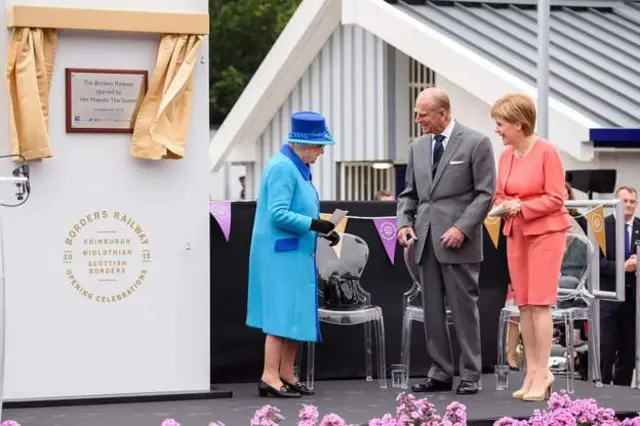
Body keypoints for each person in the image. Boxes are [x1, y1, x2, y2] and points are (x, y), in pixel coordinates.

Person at [396, 87, 496, 395]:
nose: (417, 119)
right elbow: (408, 195)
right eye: (416, 113)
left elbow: (485, 194)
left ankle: (470, 374)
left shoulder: (477, 142)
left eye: (422, 114)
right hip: (424, 242)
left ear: (444, 113)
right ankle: (439, 372)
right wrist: (403, 224)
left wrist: (462, 228)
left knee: (464, 310)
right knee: (432, 312)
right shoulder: (417, 146)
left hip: (459, 243)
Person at [246, 111, 340, 398]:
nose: (323, 152)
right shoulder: (283, 168)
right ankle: (269, 376)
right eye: (321, 146)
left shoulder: (296, 167)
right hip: (280, 254)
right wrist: (315, 224)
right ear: (305, 145)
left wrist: (323, 228)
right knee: (280, 315)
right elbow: (278, 214)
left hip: (295, 253)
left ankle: (287, 373)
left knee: (294, 315)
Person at [491, 93, 571, 402]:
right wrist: (504, 205)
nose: (497, 130)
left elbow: (555, 198)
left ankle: (543, 372)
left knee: (540, 304)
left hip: (546, 233)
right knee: (523, 304)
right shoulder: (506, 156)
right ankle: (531, 371)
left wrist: (520, 205)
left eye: (500, 124)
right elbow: (499, 195)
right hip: (516, 233)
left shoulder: (547, 152)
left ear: (519, 124)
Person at [599, 185, 639, 386]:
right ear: (616, 203)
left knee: (629, 348)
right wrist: (623, 267)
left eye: (633, 201)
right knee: (606, 346)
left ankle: (622, 391)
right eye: (625, 201)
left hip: (633, 299)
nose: (629, 205)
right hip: (608, 296)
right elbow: (595, 263)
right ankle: (602, 388)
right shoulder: (602, 227)